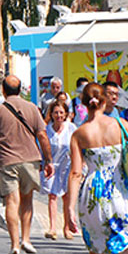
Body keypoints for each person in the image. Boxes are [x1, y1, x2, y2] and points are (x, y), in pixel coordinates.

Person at [0, 75, 53, 254]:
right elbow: (42, 136)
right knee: (27, 201)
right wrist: (48, 160)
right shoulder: (33, 108)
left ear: (3, 90)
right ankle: (26, 239)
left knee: (11, 202)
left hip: (7, 161)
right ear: (20, 90)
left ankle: (15, 245)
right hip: (30, 160)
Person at [66, 83, 128, 254]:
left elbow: (75, 173)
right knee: (122, 245)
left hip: (92, 194)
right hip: (118, 191)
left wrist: (70, 208)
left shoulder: (79, 134)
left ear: (84, 104)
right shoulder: (120, 124)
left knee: (98, 246)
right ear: (104, 101)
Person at [41, 100, 76, 240]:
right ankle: (52, 227)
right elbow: (42, 147)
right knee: (52, 195)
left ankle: (67, 228)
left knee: (66, 196)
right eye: (56, 112)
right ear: (51, 114)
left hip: (67, 166)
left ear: (66, 114)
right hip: (52, 165)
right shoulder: (47, 130)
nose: (59, 115)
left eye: (61, 112)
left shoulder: (71, 128)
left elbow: (77, 145)